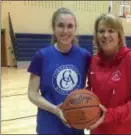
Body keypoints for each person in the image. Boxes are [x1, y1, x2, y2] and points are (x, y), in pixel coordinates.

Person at [27, 7, 91, 135]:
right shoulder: (41, 56)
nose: (65, 31)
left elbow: (92, 87)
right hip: (48, 125)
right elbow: (32, 93)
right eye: (61, 25)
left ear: (75, 29)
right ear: (54, 28)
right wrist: (55, 109)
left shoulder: (85, 56)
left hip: (75, 124)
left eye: (70, 26)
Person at [86, 13, 131, 134]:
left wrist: (109, 115)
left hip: (125, 130)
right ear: (96, 36)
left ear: (119, 35)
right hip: (97, 129)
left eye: (111, 31)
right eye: (101, 31)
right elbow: (90, 90)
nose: (105, 35)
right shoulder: (94, 61)